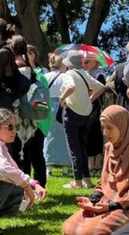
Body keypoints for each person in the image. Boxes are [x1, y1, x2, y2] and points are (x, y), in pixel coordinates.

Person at [62, 106, 129, 235]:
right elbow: (103, 182)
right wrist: (94, 199)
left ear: (123, 126)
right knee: (68, 227)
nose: (105, 133)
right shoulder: (109, 148)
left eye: (109, 128)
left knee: (91, 234)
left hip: (126, 206)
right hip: (106, 201)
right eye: (103, 127)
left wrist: (111, 206)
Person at [59, 50, 104, 189]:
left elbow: (71, 86)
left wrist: (62, 98)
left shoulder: (69, 74)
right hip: (85, 114)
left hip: (72, 113)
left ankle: (77, 181)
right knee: (83, 147)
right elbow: (101, 87)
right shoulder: (85, 74)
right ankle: (87, 179)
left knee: (74, 148)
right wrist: (90, 100)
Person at [20, 44, 50, 186]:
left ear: (32, 55)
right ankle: (27, 187)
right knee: (25, 155)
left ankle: (40, 186)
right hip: (27, 121)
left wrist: (37, 121)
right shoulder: (24, 72)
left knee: (36, 155)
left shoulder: (39, 74)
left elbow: (43, 101)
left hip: (37, 122)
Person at [44, 54, 70, 174]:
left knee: (48, 136)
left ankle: (48, 166)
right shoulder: (65, 77)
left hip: (48, 106)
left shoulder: (45, 76)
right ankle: (65, 167)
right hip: (62, 105)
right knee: (63, 136)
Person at [82, 54, 107, 175]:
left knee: (94, 134)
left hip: (96, 108)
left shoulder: (99, 75)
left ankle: (95, 165)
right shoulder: (87, 75)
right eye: (84, 62)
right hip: (88, 107)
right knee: (89, 135)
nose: (84, 64)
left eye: (87, 62)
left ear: (95, 62)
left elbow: (100, 90)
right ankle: (91, 164)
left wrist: (89, 98)